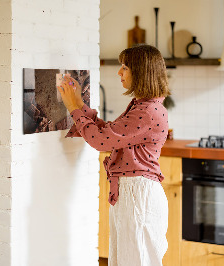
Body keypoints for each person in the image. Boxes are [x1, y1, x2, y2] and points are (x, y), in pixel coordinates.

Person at [58, 44, 170, 266]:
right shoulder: (143, 106)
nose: (119, 72)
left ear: (141, 72)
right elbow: (109, 133)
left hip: (138, 195)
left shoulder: (147, 111)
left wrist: (73, 108)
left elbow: (101, 141)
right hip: (133, 193)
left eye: (125, 67)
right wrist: (79, 104)